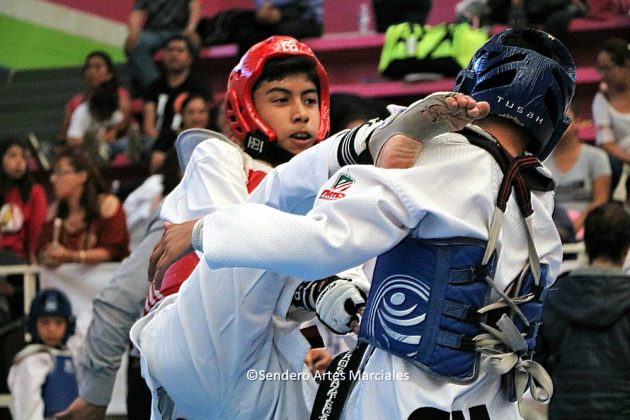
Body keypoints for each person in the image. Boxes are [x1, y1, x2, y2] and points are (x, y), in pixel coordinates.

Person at [141, 28, 574, 418]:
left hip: (383, 393)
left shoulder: (441, 156)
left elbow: (325, 241)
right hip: (486, 402)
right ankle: (367, 139)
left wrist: (202, 231)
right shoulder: (540, 205)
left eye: (309, 100)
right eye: (281, 99)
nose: (300, 113)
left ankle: (369, 138)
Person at [536, 202, 630, 419]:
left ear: (586, 244)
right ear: (626, 249)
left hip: (567, 410)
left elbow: (537, 362)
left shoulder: (555, 296)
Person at [38, 146, 130, 267]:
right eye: (53, 173)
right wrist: (47, 257)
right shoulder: (53, 213)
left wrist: (71, 256)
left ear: (82, 176)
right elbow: (42, 250)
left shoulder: (107, 206)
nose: (53, 178)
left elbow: (112, 251)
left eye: (60, 172)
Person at [7, 288, 79, 420]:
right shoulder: (31, 361)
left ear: (68, 324)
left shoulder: (71, 356)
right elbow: (27, 409)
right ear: (34, 324)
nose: (52, 329)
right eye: (45, 322)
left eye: (58, 322)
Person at [0, 136, 48, 324]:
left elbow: (36, 231)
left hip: (20, 263)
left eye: (23, 156)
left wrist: (32, 259)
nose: (19, 162)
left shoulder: (35, 192)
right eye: (12, 156)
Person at [142, 35, 212, 159]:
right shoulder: (154, 87)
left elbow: (203, 121)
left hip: (187, 139)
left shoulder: (200, 87)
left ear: (190, 58)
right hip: (157, 140)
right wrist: (161, 143)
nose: (174, 54)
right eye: (170, 50)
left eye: (180, 50)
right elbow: (149, 125)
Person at [546, 106, 611, 237]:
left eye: (565, 117)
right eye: (555, 119)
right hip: (552, 226)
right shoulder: (542, 161)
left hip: (589, 226)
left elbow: (601, 199)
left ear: (578, 122)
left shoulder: (597, 157)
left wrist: (573, 227)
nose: (560, 124)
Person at [125, 0, 201, 92]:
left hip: (180, 30)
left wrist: (191, 28)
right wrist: (133, 33)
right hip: (153, 31)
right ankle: (156, 88)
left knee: (193, 43)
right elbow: (137, 12)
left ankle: (189, 87)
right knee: (134, 46)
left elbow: (195, 4)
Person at [197, 1, 323, 55]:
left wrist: (281, 13)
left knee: (278, 34)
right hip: (271, 17)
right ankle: (247, 80)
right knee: (245, 32)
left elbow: (308, 9)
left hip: (305, 18)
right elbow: (262, 8)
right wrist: (264, 11)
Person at [57, 51, 132, 143]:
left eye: (98, 67)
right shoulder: (75, 102)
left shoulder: (121, 98)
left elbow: (119, 128)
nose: (91, 72)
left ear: (109, 74)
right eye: (88, 67)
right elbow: (64, 134)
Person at [592, 37, 630, 197]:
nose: (603, 75)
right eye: (600, 69)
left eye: (607, 68)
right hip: (622, 162)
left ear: (626, 64)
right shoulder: (601, 99)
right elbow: (606, 143)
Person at [149, 93, 211, 173]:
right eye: (191, 112)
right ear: (182, 115)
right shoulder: (169, 137)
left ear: (208, 115)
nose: (196, 117)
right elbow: (155, 163)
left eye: (201, 112)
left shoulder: (215, 138)